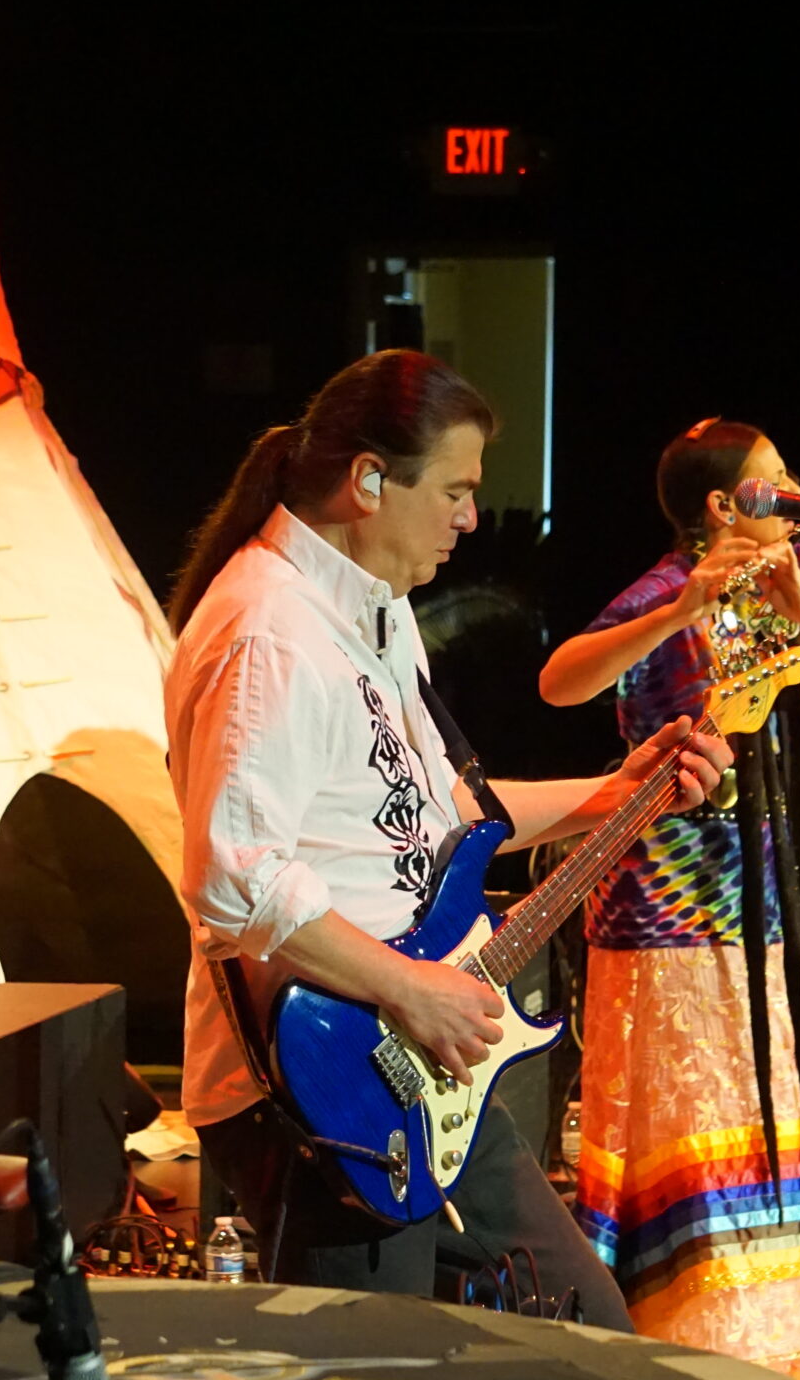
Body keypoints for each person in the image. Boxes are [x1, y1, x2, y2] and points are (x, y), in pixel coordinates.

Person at [167, 349, 731, 1319]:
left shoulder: (373, 612)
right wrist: (408, 986)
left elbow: (444, 819)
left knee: (580, 1335)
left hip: (415, 1062)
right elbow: (233, 874)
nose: (471, 518)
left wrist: (618, 791)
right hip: (324, 1083)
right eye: (456, 490)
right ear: (368, 480)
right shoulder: (269, 631)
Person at [537, 419, 800, 1361]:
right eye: (774, 481)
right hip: (661, 874)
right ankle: (665, 1316)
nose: (792, 493)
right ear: (723, 505)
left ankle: (753, 1323)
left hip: (752, 863)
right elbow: (560, 683)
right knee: (677, 1083)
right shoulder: (666, 588)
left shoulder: (792, 578)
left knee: (748, 1076)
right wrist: (677, 613)